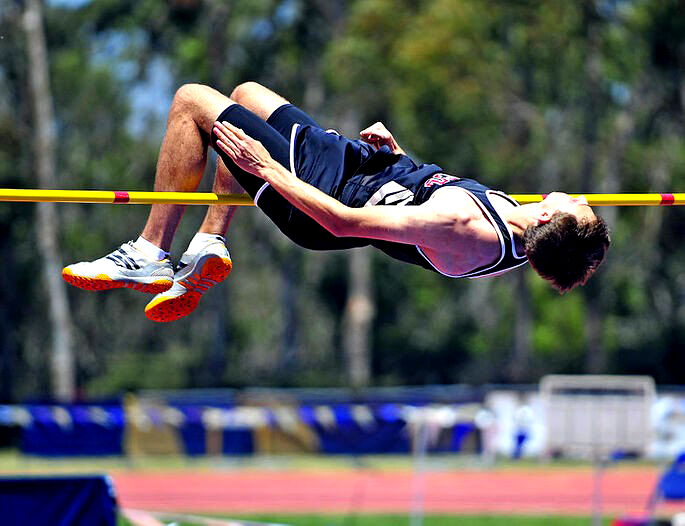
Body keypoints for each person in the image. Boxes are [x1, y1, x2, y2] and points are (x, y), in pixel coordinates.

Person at [62, 82, 611, 322]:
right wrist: (403, 158)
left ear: (547, 218)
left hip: (324, 199)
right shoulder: (518, 221)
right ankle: (209, 243)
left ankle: (150, 252)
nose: (581, 196)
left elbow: (345, 224)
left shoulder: (467, 227)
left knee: (193, 103)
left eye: (577, 206)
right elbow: (428, 197)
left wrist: (268, 170)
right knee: (247, 94)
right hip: (363, 167)